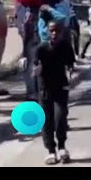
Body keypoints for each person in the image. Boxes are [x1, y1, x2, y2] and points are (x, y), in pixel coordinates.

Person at [34, 21, 74, 164]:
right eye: (51, 30)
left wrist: (70, 76)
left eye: (57, 30)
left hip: (61, 87)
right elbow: (35, 66)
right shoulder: (41, 49)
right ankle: (51, 151)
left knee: (60, 117)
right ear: (47, 32)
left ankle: (62, 147)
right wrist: (36, 70)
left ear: (62, 32)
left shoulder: (66, 47)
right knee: (46, 121)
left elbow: (70, 65)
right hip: (45, 89)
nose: (54, 33)